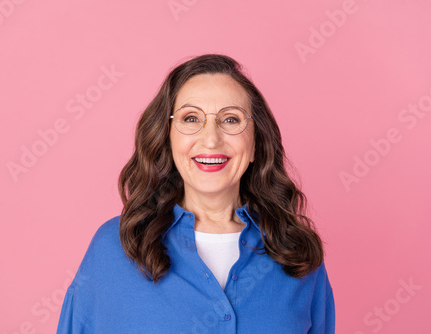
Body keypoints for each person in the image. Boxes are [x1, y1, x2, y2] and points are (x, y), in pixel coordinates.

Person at [57, 54, 335, 333]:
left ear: (255, 145)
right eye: (191, 118)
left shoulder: (297, 254)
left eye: (230, 119)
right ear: (167, 138)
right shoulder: (112, 248)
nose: (211, 139)